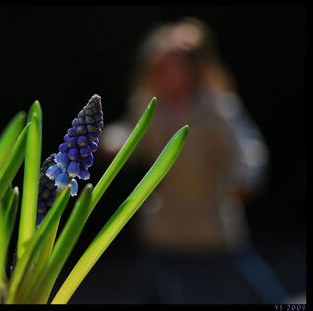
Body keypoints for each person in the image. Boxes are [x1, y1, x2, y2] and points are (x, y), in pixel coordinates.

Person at [99, 17, 288, 303]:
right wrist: (107, 143)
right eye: (157, 66)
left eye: (169, 65)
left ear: (191, 68)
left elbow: (247, 147)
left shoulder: (217, 107)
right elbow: (130, 134)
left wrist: (246, 177)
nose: (162, 73)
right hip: (165, 231)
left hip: (212, 231)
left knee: (260, 297)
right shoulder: (149, 105)